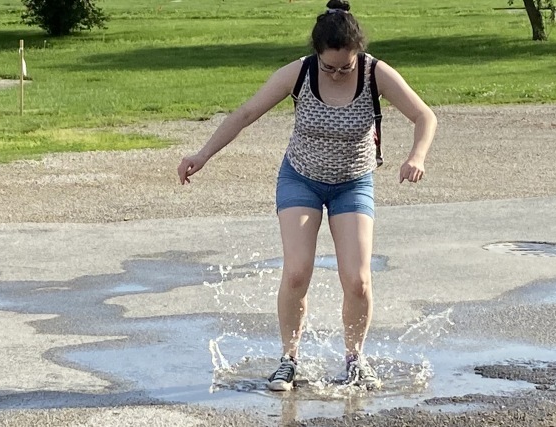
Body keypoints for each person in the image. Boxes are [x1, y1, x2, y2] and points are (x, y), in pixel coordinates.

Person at [176, 0, 437, 391]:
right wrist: (202, 155)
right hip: (301, 179)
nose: (335, 73)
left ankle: (354, 360)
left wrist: (416, 155)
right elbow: (246, 114)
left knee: (358, 280)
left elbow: (424, 116)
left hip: (353, 182)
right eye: (329, 66)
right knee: (298, 270)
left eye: (344, 67)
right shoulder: (298, 73)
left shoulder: (374, 73)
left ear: (357, 54)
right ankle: (289, 359)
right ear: (317, 54)